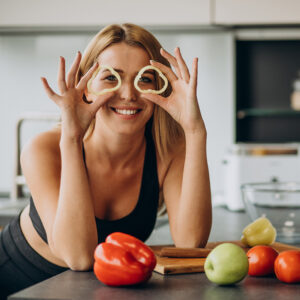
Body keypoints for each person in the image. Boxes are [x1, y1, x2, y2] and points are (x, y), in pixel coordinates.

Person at [0, 23, 212, 298]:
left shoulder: (167, 152)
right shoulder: (44, 149)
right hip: (16, 283)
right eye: (111, 78)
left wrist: (195, 131)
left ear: (159, 90)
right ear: (86, 88)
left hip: (92, 291)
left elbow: (191, 243)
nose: (128, 94)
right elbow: (79, 257)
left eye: (144, 79)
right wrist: (72, 137)